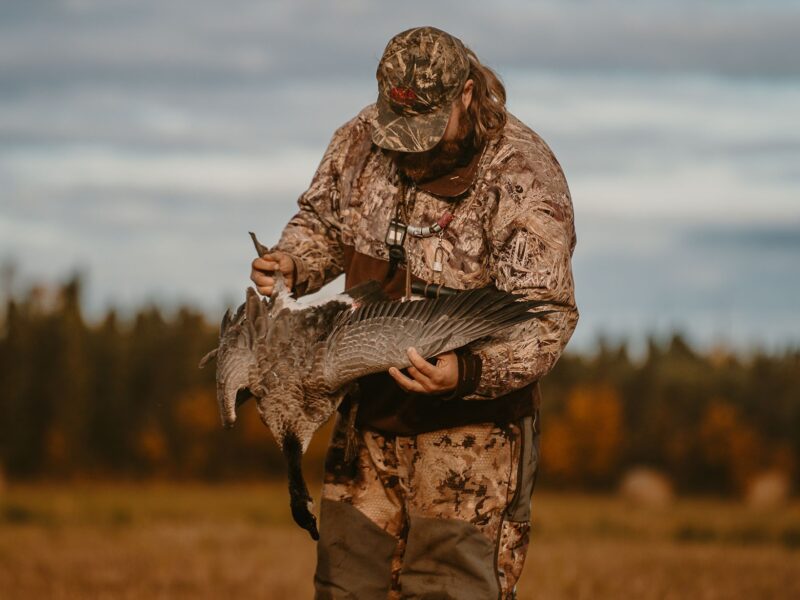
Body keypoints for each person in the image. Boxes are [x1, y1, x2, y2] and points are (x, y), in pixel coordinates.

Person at [250, 26, 578, 600]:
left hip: (471, 441)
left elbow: (546, 317)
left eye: (426, 127)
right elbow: (324, 226)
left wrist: (466, 371)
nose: (409, 145)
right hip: (366, 425)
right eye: (398, 128)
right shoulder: (360, 138)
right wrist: (290, 264)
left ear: (468, 96)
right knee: (343, 590)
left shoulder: (523, 173)